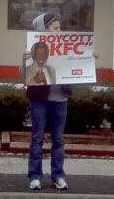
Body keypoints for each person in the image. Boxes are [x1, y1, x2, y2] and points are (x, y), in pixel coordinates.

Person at [21, 12, 70, 191]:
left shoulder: (66, 47)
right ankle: (35, 176)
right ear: (44, 29)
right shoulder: (34, 49)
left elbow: (77, 68)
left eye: (60, 27)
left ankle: (58, 176)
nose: (60, 31)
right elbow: (24, 75)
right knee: (37, 138)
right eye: (56, 28)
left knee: (58, 140)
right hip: (40, 100)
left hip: (60, 99)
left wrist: (89, 57)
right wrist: (26, 60)